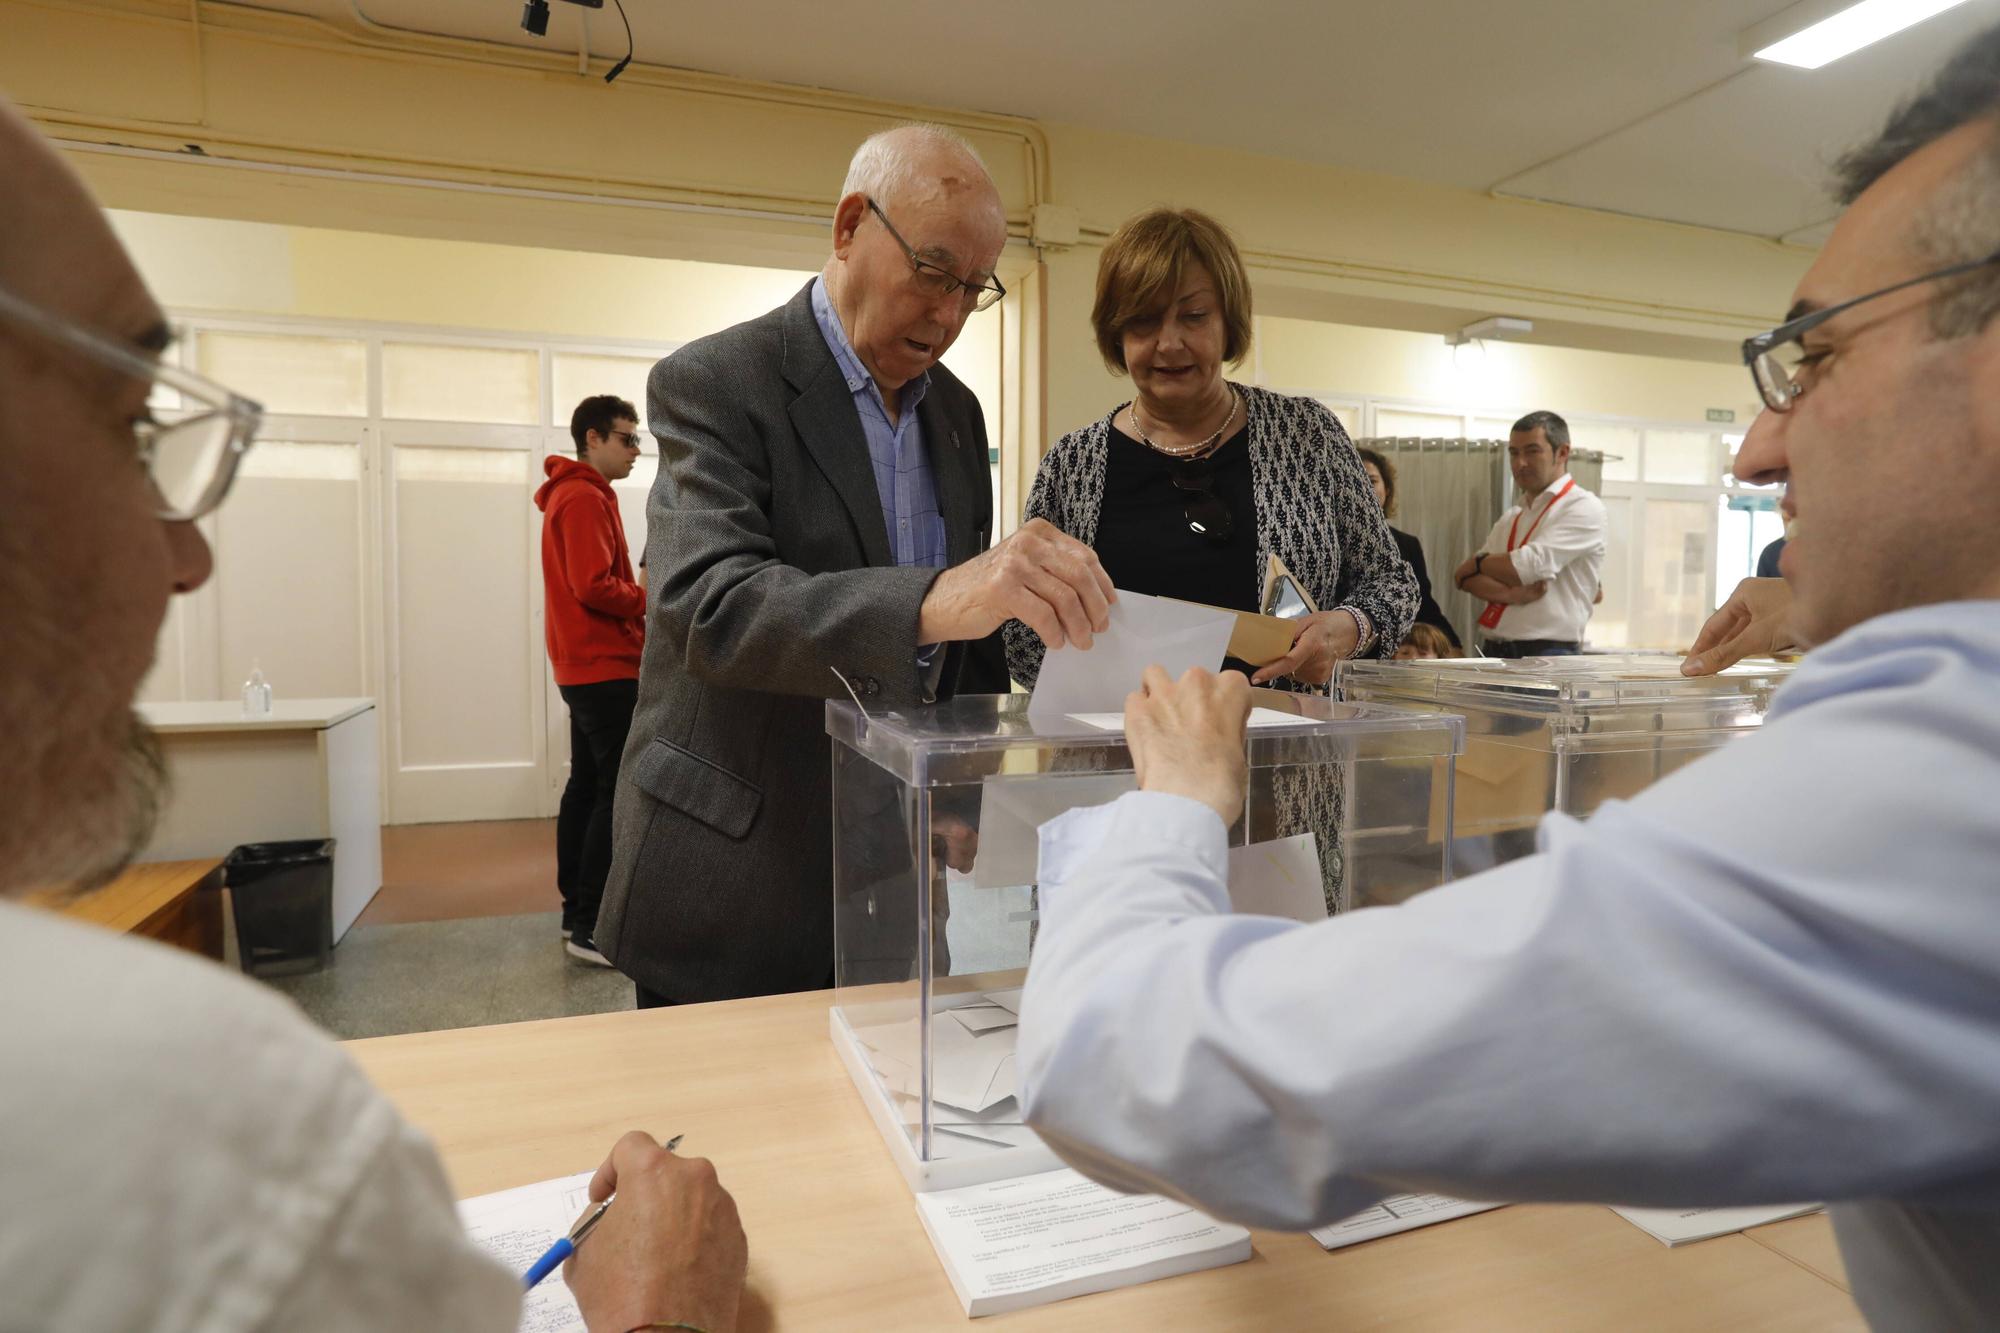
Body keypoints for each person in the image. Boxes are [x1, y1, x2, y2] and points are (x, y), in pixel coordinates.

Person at [1015, 29, 2000, 1326]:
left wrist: (1185, 790)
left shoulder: (1929, 786)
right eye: (1141, 322)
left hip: (1248, 797)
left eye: (1814, 360)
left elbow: (1134, 1062)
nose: (1758, 449)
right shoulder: (1080, 463)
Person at [0, 99, 746, 1331]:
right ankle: (582, 911)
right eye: (129, 428)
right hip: (602, 664)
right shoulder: (208, 1114)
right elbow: (595, 591)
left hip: (601, 662)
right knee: (595, 791)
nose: (186, 558)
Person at [600, 124, 1112, 1007]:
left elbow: (970, 645)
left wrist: (965, 794)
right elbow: (707, 607)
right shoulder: (718, 382)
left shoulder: (956, 415)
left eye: (973, 289)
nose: (949, 315)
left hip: (897, 870)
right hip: (740, 864)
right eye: (933, 271)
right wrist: (936, 598)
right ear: (848, 227)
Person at [1004, 208, 1415, 693]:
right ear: (1116, 332)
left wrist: (1344, 630)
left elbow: (1393, 584)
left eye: (1193, 317)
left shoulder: (1309, 436)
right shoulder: (1072, 466)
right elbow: (1023, 637)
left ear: (1228, 323)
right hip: (1123, 756)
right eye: (1143, 321)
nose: (1169, 342)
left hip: (1283, 755)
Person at [537, 394, 646, 965]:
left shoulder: (576, 495)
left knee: (586, 785)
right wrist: (649, 597)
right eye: (627, 438)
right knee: (612, 791)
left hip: (583, 666)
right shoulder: (581, 497)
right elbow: (594, 585)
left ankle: (573, 913)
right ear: (594, 439)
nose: (635, 450)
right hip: (604, 665)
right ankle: (590, 927)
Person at [1451, 410, 1607, 656]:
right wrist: (1511, 594)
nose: (1520, 463)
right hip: (1494, 649)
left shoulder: (1583, 506)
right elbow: (1464, 579)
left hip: (1549, 653)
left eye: (1532, 451)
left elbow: (1526, 568)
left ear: (1562, 452)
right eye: (1514, 453)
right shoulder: (1513, 515)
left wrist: (1479, 562)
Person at [1356, 445, 1462, 651]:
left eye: (1372, 480)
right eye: (1356, 481)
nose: (1365, 488)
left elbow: (1423, 603)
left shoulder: (1406, 544)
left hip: (1391, 652)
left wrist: (1454, 647)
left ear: (1387, 489)